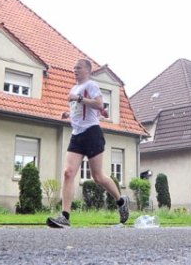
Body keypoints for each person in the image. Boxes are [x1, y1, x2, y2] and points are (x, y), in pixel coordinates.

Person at [47, 59, 130, 228]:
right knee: (68, 173)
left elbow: (99, 103)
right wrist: (67, 114)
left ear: (87, 70)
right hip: (77, 135)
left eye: (78, 68)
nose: (75, 70)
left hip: (92, 133)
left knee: (98, 177)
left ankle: (121, 202)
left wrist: (78, 98)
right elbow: (80, 111)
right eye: (73, 68)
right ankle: (65, 216)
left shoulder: (91, 85)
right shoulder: (74, 88)